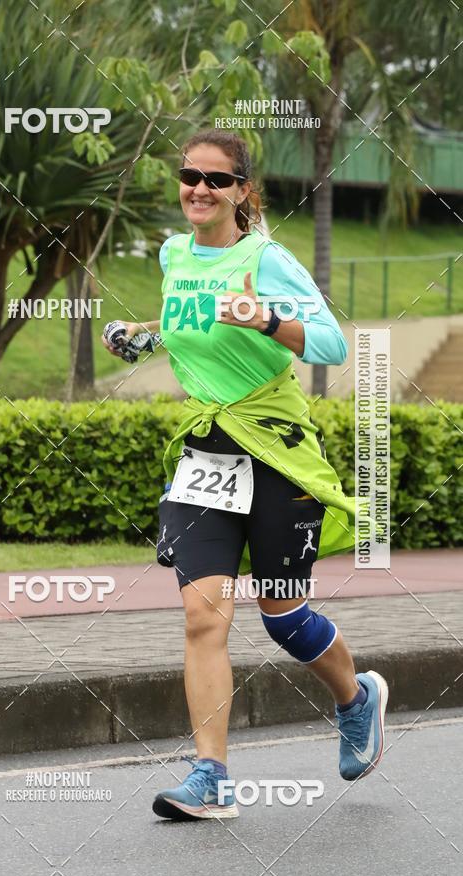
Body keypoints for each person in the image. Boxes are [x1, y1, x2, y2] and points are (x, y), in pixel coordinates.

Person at [102, 129, 388, 821]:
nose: (199, 189)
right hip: (206, 455)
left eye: (216, 180)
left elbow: (328, 342)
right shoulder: (176, 254)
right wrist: (146, 335)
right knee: (203, 614)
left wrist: (265, 318)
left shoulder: (268, 260)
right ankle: (210, 777)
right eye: (188, 175)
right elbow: (189, 323)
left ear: (242, 192)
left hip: (276, 451)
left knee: (283, 614)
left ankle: (357, 699)